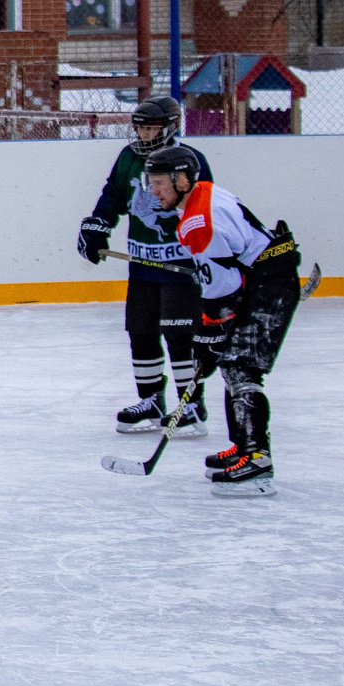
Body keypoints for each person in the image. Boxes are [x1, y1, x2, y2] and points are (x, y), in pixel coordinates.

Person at [149, 146, 302, 496]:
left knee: (240, 365)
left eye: (158, 183)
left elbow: (222, 289)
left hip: (269, 286)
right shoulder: (202, 195)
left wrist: (209, 335)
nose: (153, 191)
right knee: (233, 365)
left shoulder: (200, 221)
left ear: (181, 180)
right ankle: (243, 447)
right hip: (260, 279)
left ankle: (257, 459)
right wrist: (212, 335)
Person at [77, 99, 212, 435]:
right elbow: (113, 195)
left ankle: (191, 404)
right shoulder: (128, 157)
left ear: (170, 127)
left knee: (179, 334)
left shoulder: (188, 160)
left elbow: (205, 207)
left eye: (151, 128)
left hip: (179, 265)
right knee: (141, 331)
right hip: (142, 264)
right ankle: (151, 400)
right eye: (140, 128)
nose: (144, 135)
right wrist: (97, 225)